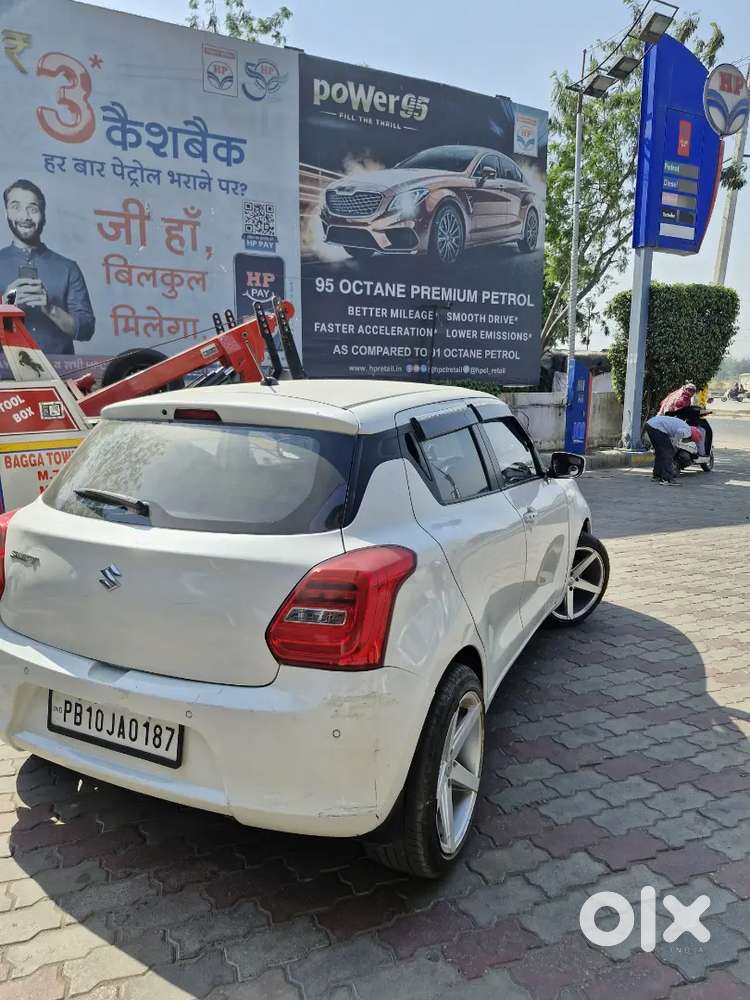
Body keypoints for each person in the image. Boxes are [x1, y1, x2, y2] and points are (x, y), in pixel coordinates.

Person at [0, 179, 95, 355]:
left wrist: (50, 309)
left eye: (33, 208)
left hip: (62, 374)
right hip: (5, 375)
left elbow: (86, 329)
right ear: (6, 213)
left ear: (43, 215)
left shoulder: (68, 268)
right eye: (16, 207)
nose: (25, 216)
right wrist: (7, 304)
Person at [644, 413, 700, 485]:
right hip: (657, 427)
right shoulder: (688, 431)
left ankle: (657, 476)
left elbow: (671, 433)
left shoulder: (683, 425)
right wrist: (674, 444)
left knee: (660, 452)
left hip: (650, 424)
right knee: (668, 453)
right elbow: (679, 432)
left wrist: (673, 442)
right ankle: (667, 479)